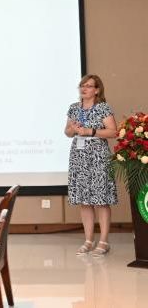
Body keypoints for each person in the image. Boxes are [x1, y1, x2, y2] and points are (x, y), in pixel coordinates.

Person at [64, 74, 118, 256]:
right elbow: (67, 132)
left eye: (88, 86)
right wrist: (72, 129)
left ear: (97, 90)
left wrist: (90, 131)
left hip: (98, 157)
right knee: (84, 201)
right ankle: (88, 240)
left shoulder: (102, 108)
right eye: (82, 85)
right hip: (78, 158)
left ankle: (103, 241)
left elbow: (113, 132)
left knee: (101, 200)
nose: (84, 88)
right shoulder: (74, 108)